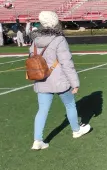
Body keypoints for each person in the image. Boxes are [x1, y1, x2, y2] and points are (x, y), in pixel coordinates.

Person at [30, 11, 91, 150]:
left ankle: (37, 140)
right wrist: (75, 83)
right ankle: (76, 130)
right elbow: (66, 63)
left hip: (41, 79)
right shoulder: (59, 39)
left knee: (42, 110)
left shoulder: (35, 40)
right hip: (59, 80)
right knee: (70, 105)